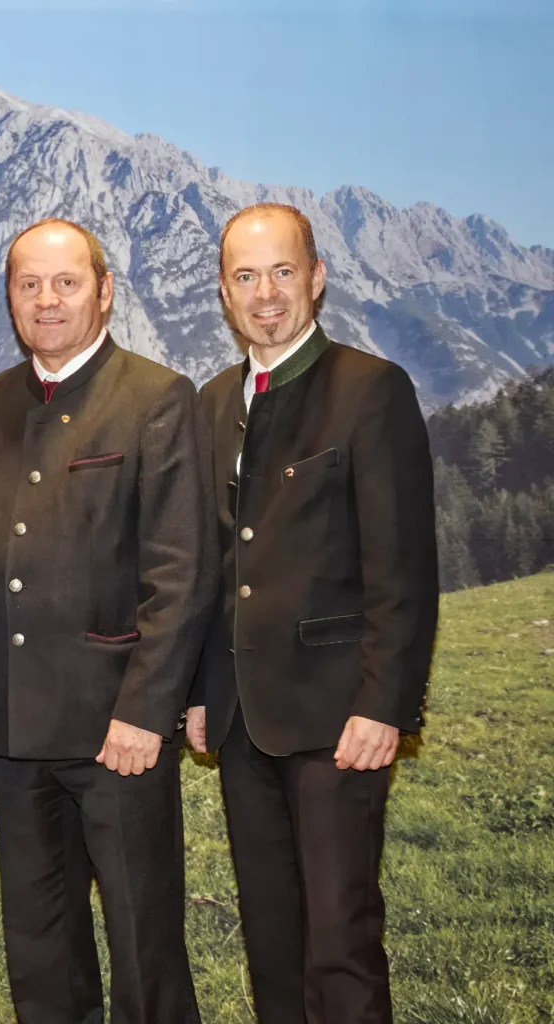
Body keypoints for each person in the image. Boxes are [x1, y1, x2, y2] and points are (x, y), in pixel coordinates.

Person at [0, 218, 216, 1024]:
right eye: (29, 285)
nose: (47, 300)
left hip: (115, 733)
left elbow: (182, 573)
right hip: (12, 728)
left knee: (144, 949)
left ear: (104, 291)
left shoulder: (157, 397)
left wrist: (144, 711)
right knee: (40, 952)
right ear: (11, 300)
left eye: (65, 283)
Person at [187, 203, 438, 1023]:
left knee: (341, 940)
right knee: (271, 939)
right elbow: (218, 567)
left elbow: (402, 568)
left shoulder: (371, 389)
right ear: (224, 294)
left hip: (339, 719)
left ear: (318, 278)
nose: (266, 294)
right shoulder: (214, 400)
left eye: (283, 272)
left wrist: (383, 703)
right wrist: (201, 690)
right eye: (247, 277)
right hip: (240, 721)